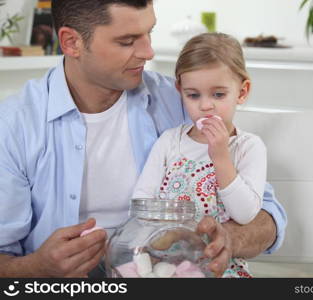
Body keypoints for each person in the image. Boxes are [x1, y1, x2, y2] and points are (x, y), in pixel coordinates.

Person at [0, 0, 287, 278]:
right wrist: (35, 269)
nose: (148, 52)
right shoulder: (14, 125)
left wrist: (228, 239)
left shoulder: (185, 101)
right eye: (127, 41)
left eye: (149, 32)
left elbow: (267, 214)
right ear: (72, 42)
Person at [132, 33, 266, 278]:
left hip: (218, 265)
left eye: (218, 95)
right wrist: (164, 233)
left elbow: (245, 214)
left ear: (242, 92)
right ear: (180, 90)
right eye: (193, 95)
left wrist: (221, 157)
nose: (205, 106)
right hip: (165, 260)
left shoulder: (249, 147)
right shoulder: (170, 141)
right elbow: (141, 200)